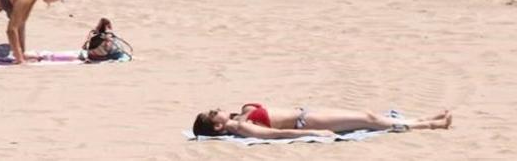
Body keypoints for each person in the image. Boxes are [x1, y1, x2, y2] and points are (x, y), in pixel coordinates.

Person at [193, 105, 452, 140]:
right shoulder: (237, 126)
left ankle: (424, 119)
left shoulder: (239, 115)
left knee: (370, 117)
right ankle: (431, 125)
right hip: (306, 122)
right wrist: (317, 133)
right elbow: (270, 135)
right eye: (213, 113)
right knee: (369, 119)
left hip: (308, 113)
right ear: (217, 126)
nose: (217, 109)